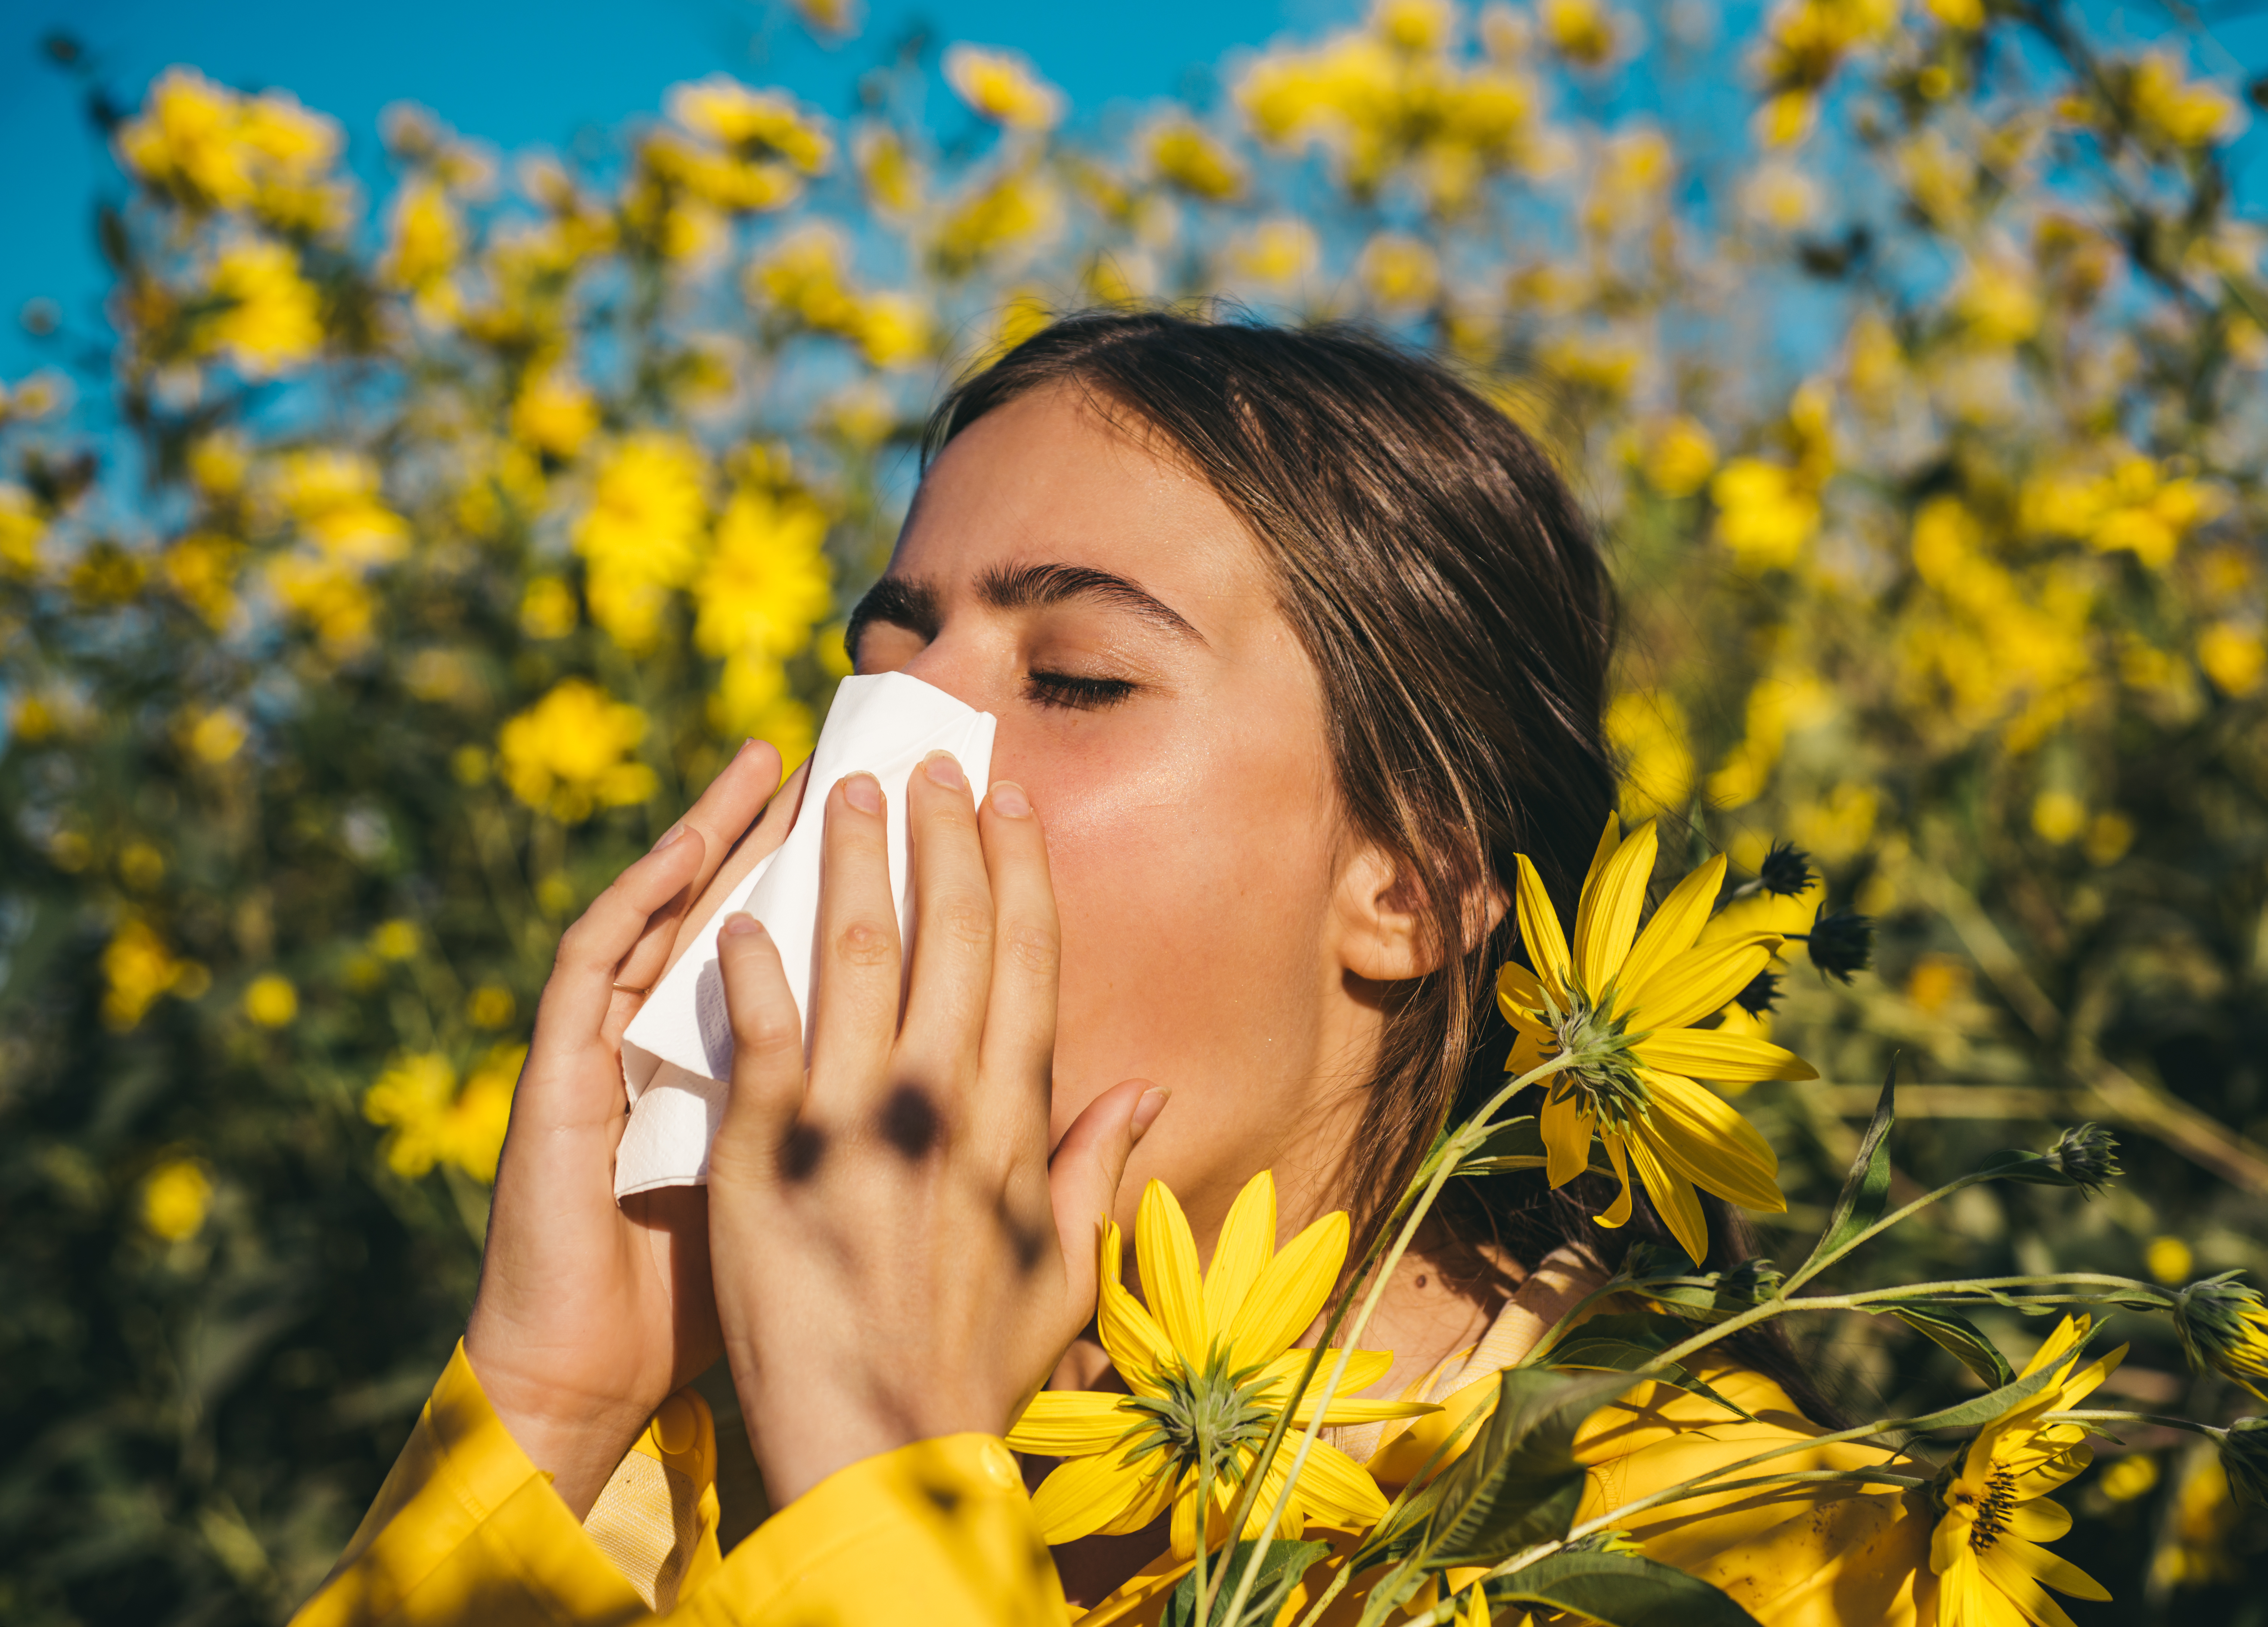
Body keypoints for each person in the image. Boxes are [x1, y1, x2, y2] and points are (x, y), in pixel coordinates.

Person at [292, 312, 1925, 1627]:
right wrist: (549, 1413)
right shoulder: (679, 1484)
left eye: (1072, 680)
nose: (887, 767)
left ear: (1412, 887)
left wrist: (887, 1480)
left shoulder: (1737, 1554)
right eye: (878, 666)